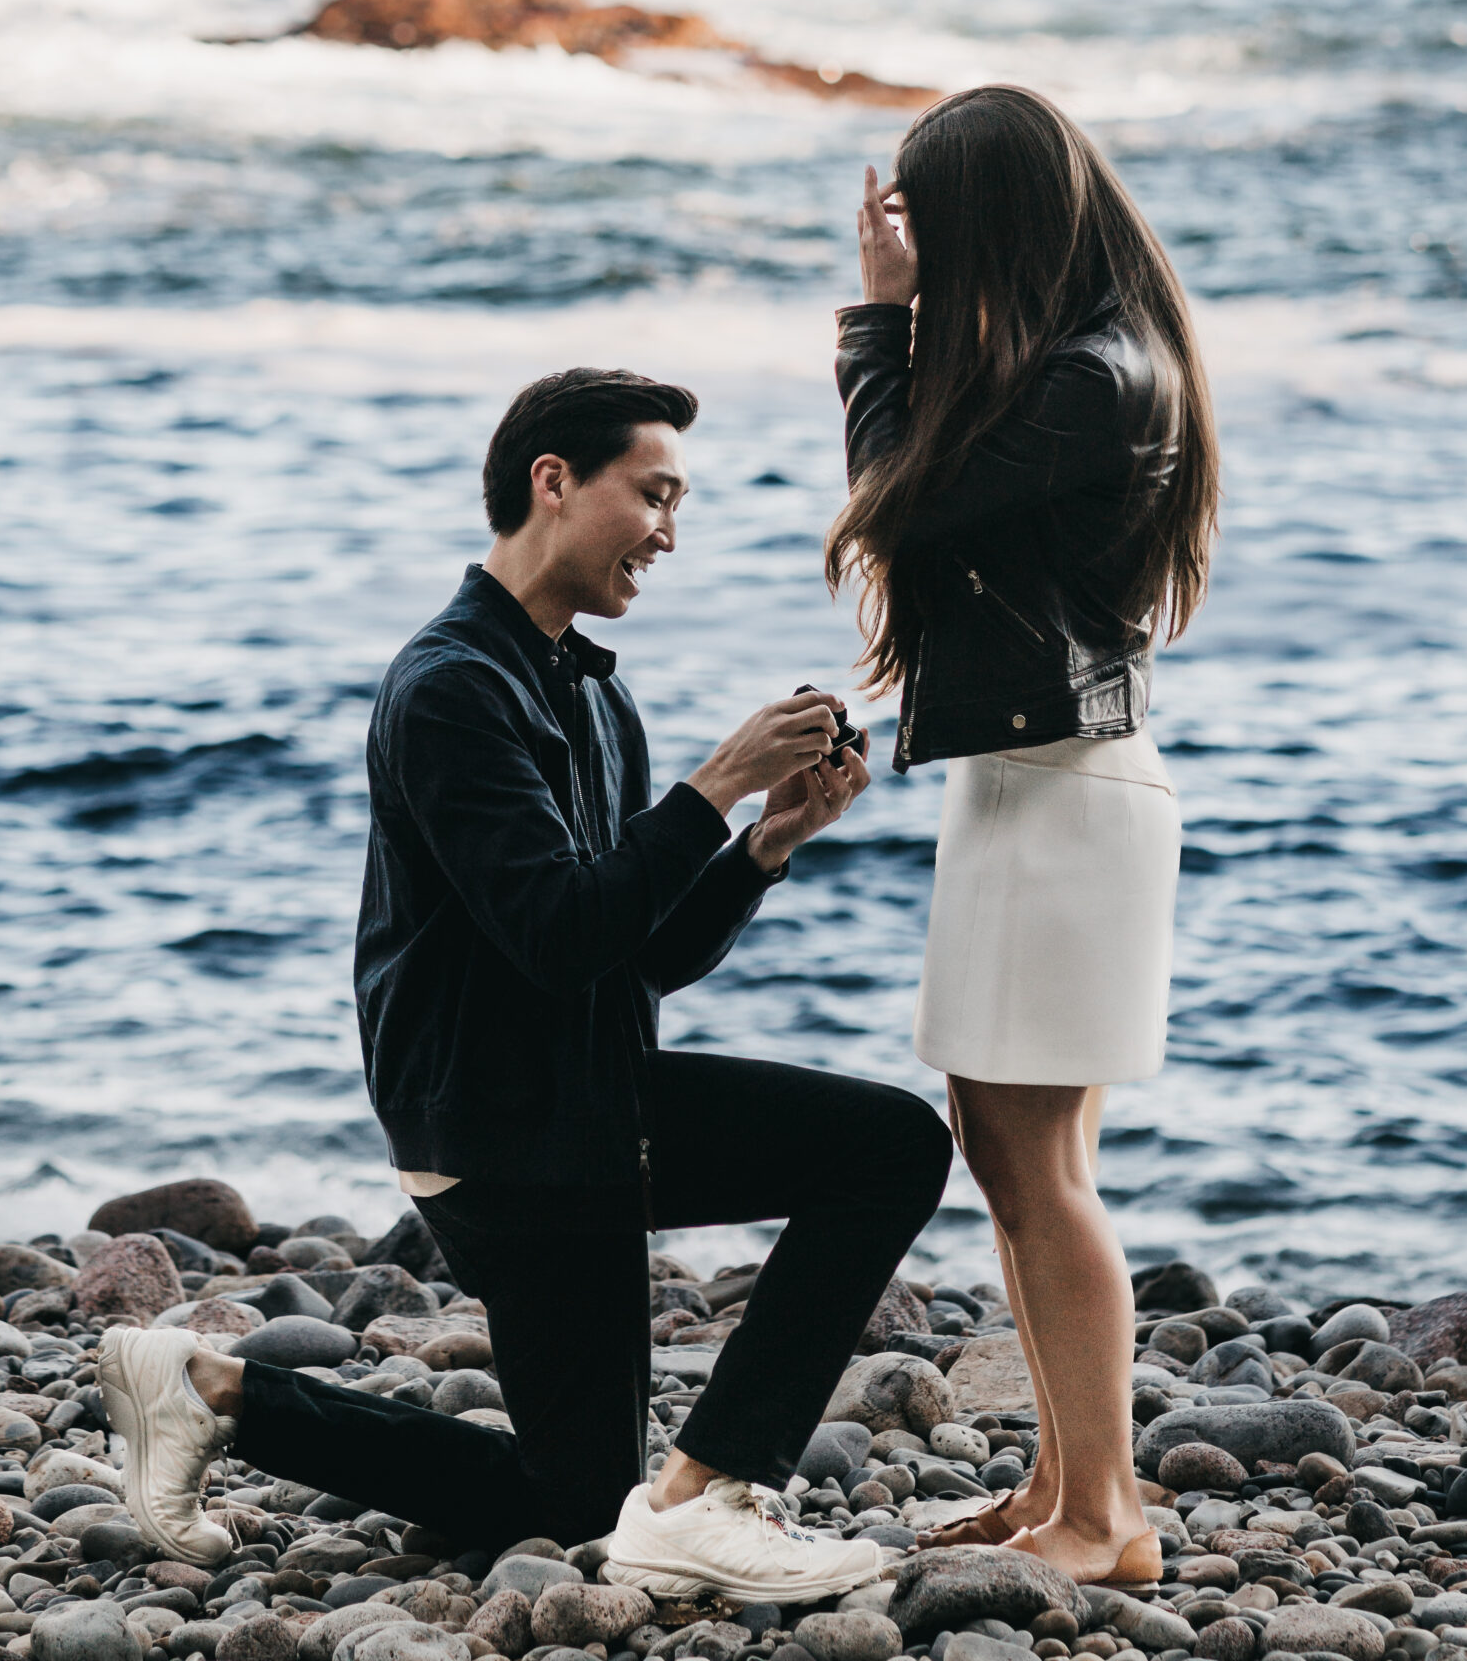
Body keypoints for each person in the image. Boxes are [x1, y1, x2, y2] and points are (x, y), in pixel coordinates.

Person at [101, 367, 952, 1602]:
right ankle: (710, 1491)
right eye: (653, 494)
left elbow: (636, 953)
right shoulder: (450, 685)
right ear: (553, 481)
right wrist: (710, 792)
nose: (671, 531)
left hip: (585, 1109)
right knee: (889, 1146)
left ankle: (207, 1387)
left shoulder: (591, 694)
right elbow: (553, 934)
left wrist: (765, 841)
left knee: (570, 1502)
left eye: (680, 501)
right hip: (506, 1125)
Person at [826, 87, 1219, 1588]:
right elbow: (922, 504)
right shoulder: (1080, 363)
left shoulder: (1099, 379)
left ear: (987, 218)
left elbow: (892, 506)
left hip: (1066, 793)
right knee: (1010, 1154)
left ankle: (1107, 1515)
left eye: (933, 219)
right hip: (1025, 784)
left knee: (1032, 1160)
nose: (916, 249)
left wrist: (876, 329)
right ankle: (1062, 1480)